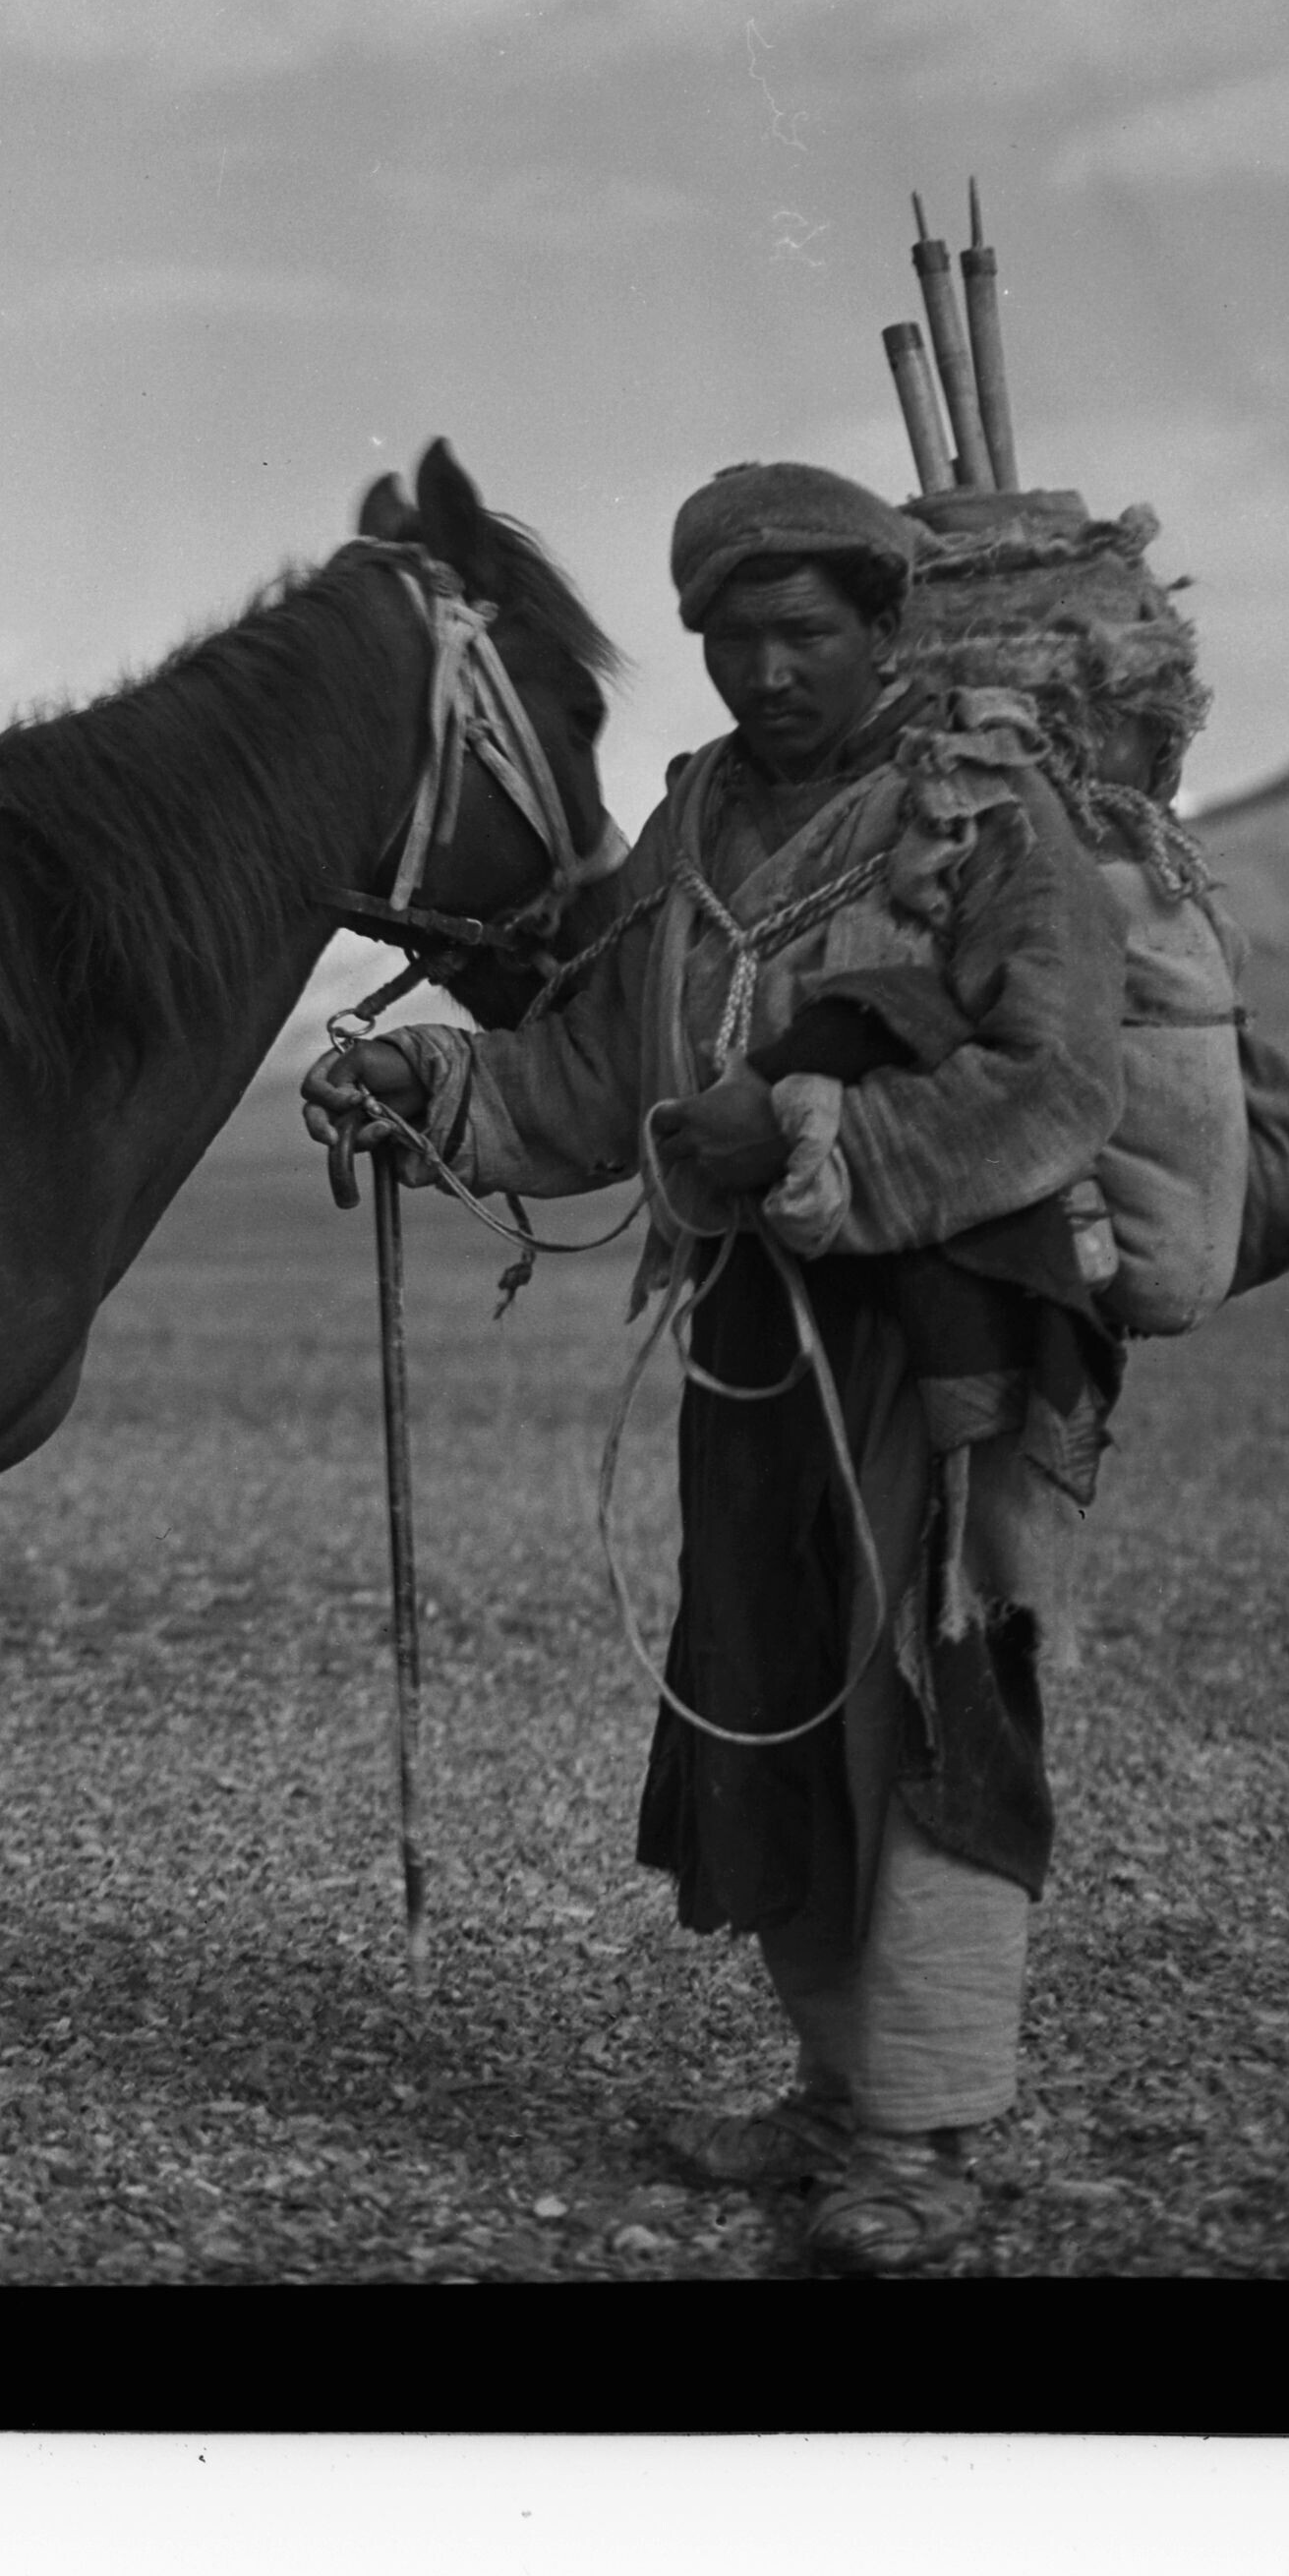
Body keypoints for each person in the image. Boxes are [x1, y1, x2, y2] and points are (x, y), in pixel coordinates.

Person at [301, 460, 1130, 2276]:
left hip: (950, 1340)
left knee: (928, 1711)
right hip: (755, 1336)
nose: (765, 670)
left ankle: (922, 2134)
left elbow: (1062, 1078)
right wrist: (434, 1083)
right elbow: (593, 1075)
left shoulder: (983, 814)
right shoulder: (693, 828)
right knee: (771, 1694)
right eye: (732, 637)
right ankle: (835, 2096)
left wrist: (818, 1140)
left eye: (805, 632)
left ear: (886, 627)